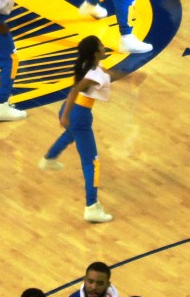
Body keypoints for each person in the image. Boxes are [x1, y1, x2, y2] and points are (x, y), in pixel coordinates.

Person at [40, 36, 139, 223]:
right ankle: (91, 207)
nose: (104, 46)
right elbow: (75, 91)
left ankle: (49, 159)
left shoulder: (90, 65)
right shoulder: (93, 74)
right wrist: (65, 116)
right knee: (92, 162)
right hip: (78, 114)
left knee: (70, 134)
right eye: (101, 45)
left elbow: (110, 74)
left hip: (72, 111)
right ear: (95, 53)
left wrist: (130, 78)